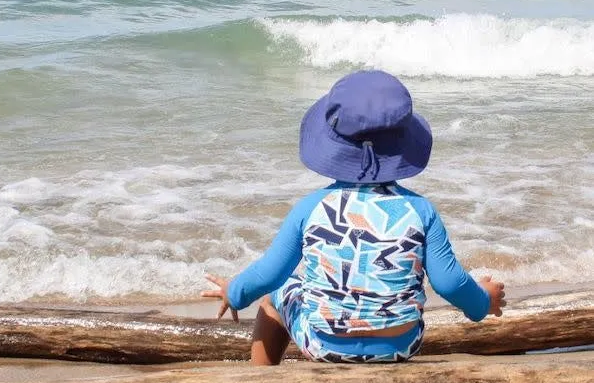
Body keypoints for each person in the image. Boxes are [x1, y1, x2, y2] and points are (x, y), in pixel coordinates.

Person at [202, 70, 506, 365]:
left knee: (275, 297)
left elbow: (268, 274)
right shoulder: (421, 210)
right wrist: (483, 301)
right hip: (401, 345)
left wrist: (234, 292)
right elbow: (449, 283)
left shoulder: (311, 207)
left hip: (323, 345)